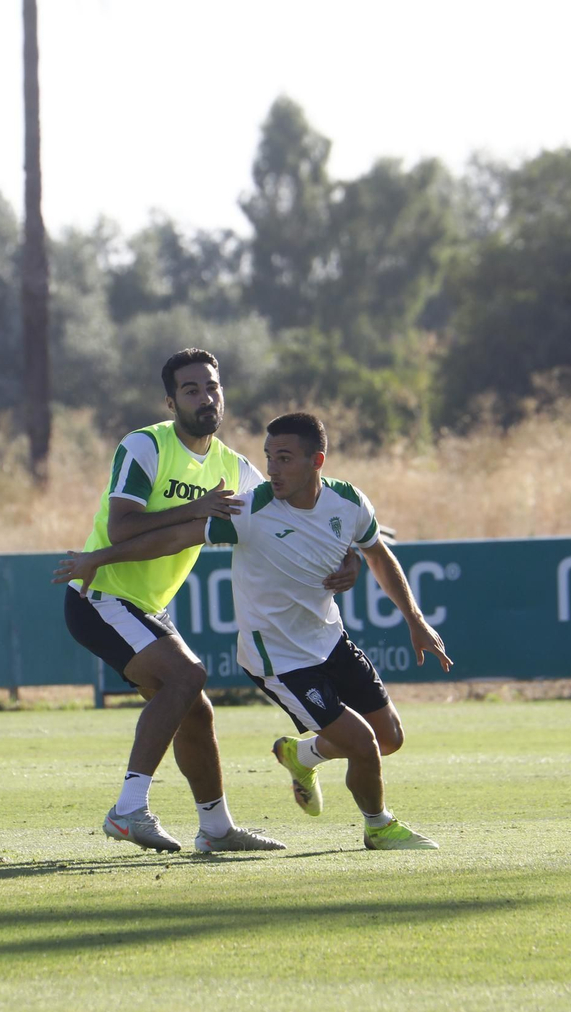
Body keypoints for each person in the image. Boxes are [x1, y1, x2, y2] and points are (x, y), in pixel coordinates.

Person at [57, 412, 452, 850]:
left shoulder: (347, 500)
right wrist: (100, 557)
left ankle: (278, 775)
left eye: (284, 458)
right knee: (358, 742)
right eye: (269, 458)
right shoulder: (247, 506)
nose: (272, 468)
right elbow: (176, 537)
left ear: (316, 460)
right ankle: (378, 826)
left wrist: (410, 615)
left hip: (329, 640)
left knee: (388, 739)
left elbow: (375, 550)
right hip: (278, 658)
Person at [64, 349, 360, 854]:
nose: (206, 397)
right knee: (188, 677)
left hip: (145, 607)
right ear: (170, 400)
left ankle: (216, 830)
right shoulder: (145, 446)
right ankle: (128, 810)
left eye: (212, 387)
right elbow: (121, 526)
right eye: (191, 389)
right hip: (102, 596)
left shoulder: (233, 467)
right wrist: (196, 506)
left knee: (195, 711)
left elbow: (289, 508)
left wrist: (353, 548)